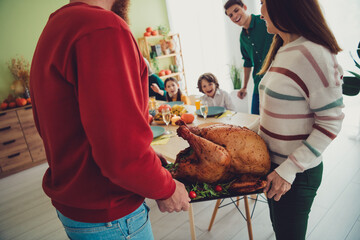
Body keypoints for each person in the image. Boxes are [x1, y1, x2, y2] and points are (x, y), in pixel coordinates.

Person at [29, 0, 190, 239]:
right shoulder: (104, 27)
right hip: (110, 215)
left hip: (78, 206)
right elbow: (120, 152)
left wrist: (146, 158)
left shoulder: (57, 25)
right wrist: (166, 188)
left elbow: (81, 128)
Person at [257, 0, 344, 239]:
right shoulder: (284, 47)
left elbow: (331, 121)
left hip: (295, 172)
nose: (260, 11)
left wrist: (289, 170)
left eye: (263, 3)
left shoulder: (313, 53)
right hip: (275, 168)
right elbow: (273, 113)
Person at [224, 0, 273, 114]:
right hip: (258, 84)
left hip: (274, 80)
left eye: (236, 10)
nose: (235, 16)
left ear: (244, 7)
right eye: (231, 15)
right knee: (255, 118)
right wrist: (244, 87)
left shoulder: (263, 21)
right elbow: (247, 62)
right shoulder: (243, 37)